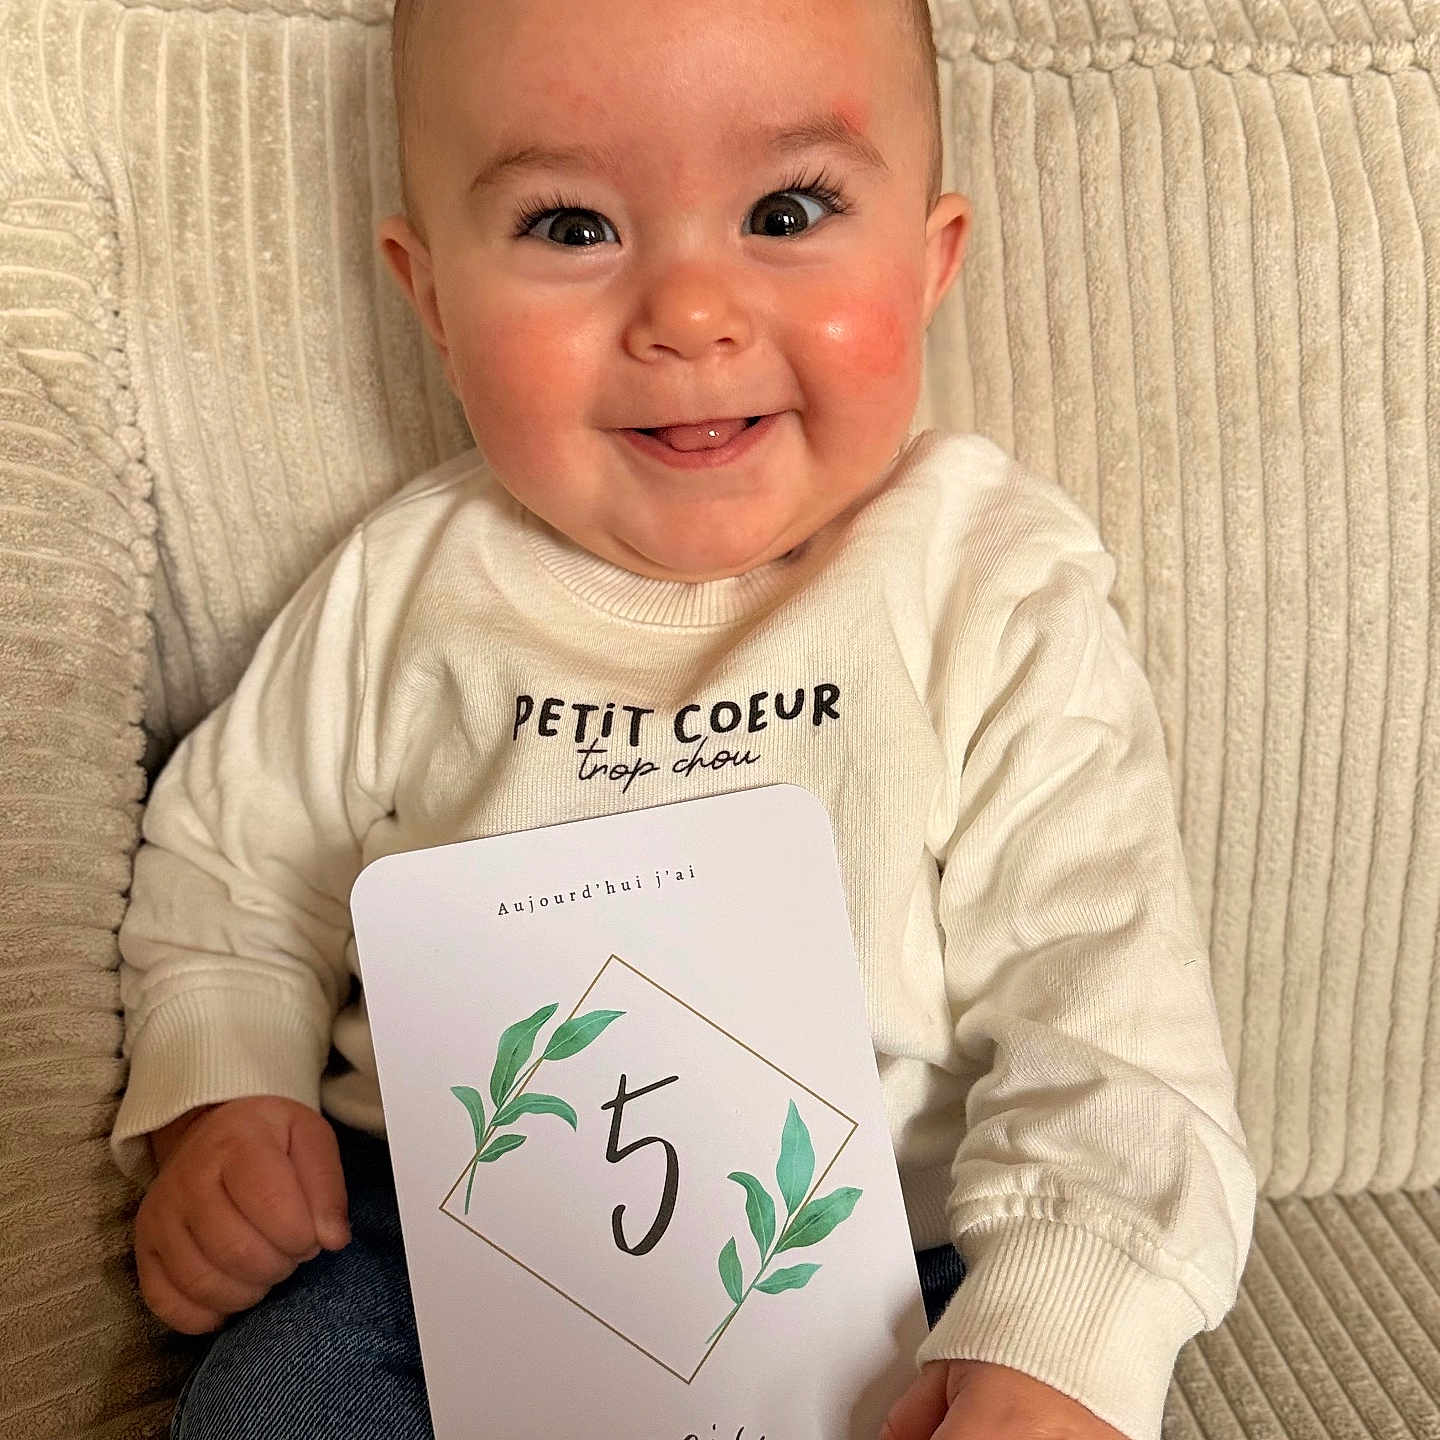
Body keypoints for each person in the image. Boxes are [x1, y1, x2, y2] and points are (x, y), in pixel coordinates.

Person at [111, 0, 1256, 1437]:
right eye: (570, 228)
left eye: (788, 208)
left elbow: (1108, 996)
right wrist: (226, 1089)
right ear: (431, 299)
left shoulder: (984, 583)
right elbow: (231, 865)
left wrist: (1067, 1320)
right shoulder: (410, 586)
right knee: (272, 1400)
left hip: (891, 1265)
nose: (689, 314)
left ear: (930, 258)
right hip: (435, 1253)